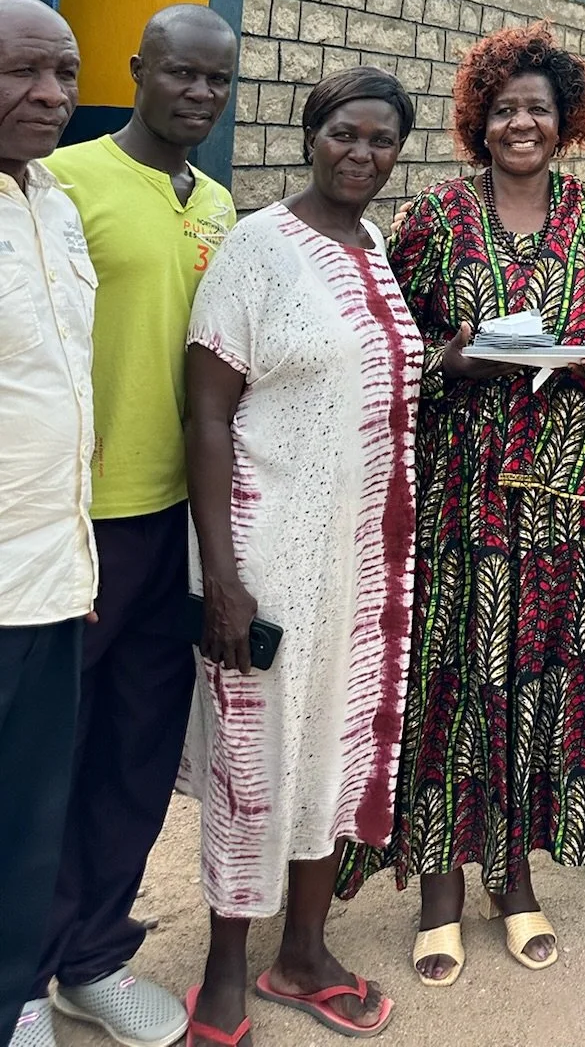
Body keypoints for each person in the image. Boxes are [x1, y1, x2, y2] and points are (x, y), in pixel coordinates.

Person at [338, 24, 585, 983]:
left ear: (566, 123)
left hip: (561, 495)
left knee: (539, 680)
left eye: (539, 111)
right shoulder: (432, 218)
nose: (522, 123)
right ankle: (438, 887)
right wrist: (451, 360)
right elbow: (395, 346)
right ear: (480, 120)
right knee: (455, 677)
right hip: (460, 497)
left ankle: (515, 880)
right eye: (506, 109)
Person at [180, 67, 421, 1047]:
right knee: (255, 756)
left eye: (381, 141)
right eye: (345, 134)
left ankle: (306, 951)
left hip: (362, 559)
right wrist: (224, 577)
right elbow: (203, 412)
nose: (362, 154)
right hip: (268, 551)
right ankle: (225, 968)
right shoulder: (256, 245)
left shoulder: (372, 245)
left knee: (336, 747)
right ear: (310, 133)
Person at [29, 7, 238, 1047]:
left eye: (217, 80)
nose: (199, 93)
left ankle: (91, 956)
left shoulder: (220, 203)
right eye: (180, 73)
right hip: (78, 522)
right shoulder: (62, 181)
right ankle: (18, 974)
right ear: (137, 70)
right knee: (41, 757)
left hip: (177, 524)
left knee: (137, 745)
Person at [0, 0, 96, 1047]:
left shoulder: (55, 202)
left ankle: (14, 994)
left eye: (64, 73)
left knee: (28, 815)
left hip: (53, 571)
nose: (51, 95)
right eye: (23, 72)